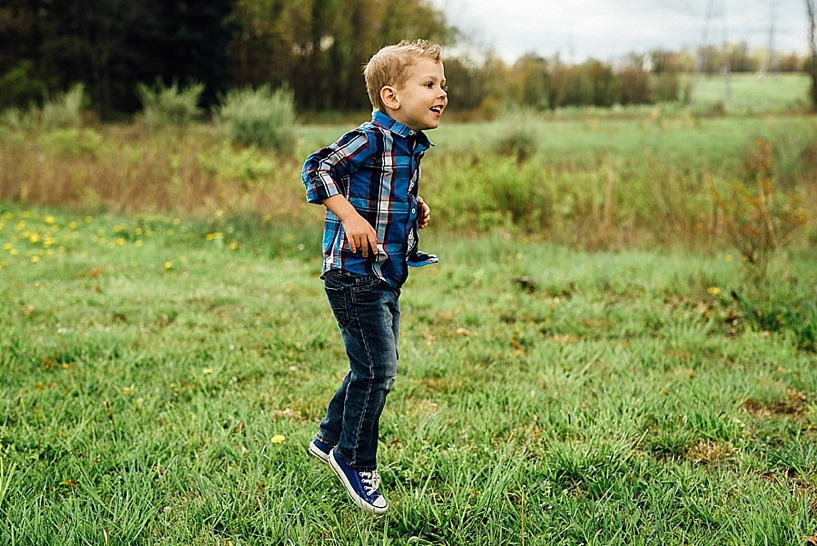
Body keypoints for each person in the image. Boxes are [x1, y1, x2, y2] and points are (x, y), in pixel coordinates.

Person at [301, 39, 448, 513]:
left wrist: (414, 207)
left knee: (370, 364)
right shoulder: (370, 137)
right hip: (353, 273)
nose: (442, 93)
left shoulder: (407, 146)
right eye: (429, 84)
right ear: (392, 97)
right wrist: (348, 217)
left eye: (442, 84)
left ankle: (327, 438)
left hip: (384, 274)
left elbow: (384, 192)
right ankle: (352, 456)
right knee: (378, 369)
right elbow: (318, 169)